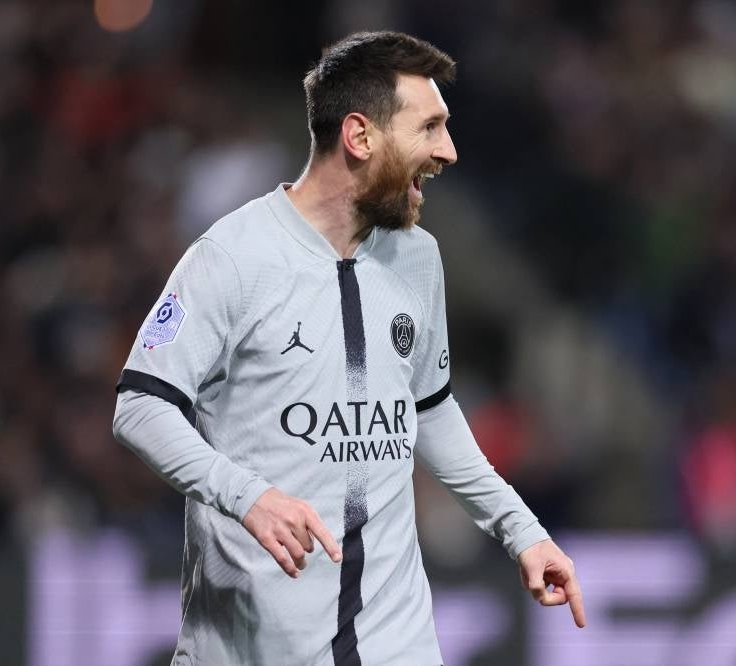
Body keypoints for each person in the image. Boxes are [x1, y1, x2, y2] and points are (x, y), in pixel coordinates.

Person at [112, 31, 584, 665]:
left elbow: (429, 409)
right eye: (431, 127)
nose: (448, 150)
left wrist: (522, 530)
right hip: (251, 648)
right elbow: (140, 407)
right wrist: (246, 494)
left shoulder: (419, 258)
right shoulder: (232, 257)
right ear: (360, 137)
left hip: (398, 644)